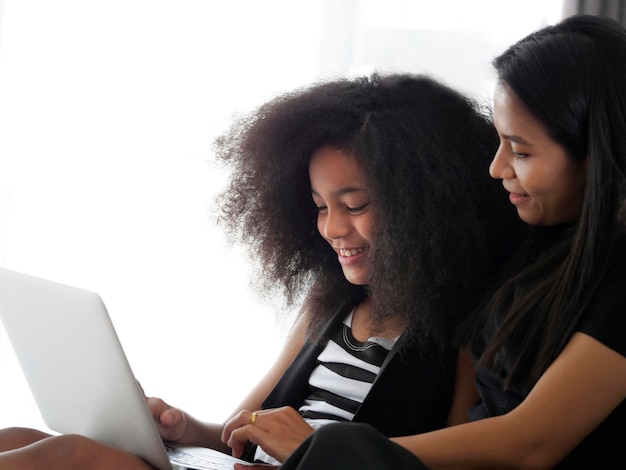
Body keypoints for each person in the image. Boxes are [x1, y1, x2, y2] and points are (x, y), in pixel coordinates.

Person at [0, 73, 521, 468]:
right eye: (319, 206)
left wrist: (316, 450)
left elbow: (455, 460)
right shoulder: (329, 301)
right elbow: (237, 431)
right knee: (20, 438)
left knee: (68, 456)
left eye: (355, 205)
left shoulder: (462, 327)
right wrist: (179, 427)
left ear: (424, 207)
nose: (332, 227)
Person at [263, 14, 626, 470]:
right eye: (499, 142)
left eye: (521, 150)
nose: (496, 168)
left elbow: (531, 442)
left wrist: (329, 450)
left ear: (599, 152)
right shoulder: (531, 252)